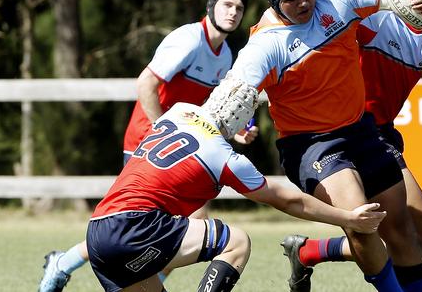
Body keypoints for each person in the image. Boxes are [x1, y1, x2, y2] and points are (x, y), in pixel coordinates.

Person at [228, 0, 422, 291]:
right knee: (362, 221)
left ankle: (310, 252)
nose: (304, 1)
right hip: (311, 143)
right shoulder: (266, 44)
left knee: (406, 231)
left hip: (361, 128)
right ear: (274, 1)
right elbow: (233, 97)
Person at [38, 0, 259, 292]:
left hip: (180, 144)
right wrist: (160, 129)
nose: (233, 12)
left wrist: (237, 132)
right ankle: (68, 263)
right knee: (146, 224)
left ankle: (73, 264)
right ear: (211, 5)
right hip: (150, 140)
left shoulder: (224, 55)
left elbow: (211, 108)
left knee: (151, 229)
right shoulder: (188, 39)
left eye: (239, 7)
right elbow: (145, 84)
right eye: (227, 4)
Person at [85, 75, 387, 292]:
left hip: (97, 228)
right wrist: (348, 217)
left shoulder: (178, 112)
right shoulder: (225, 157)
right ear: (242, 120)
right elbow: (289, 200)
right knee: (236, 242)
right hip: (137, 226)